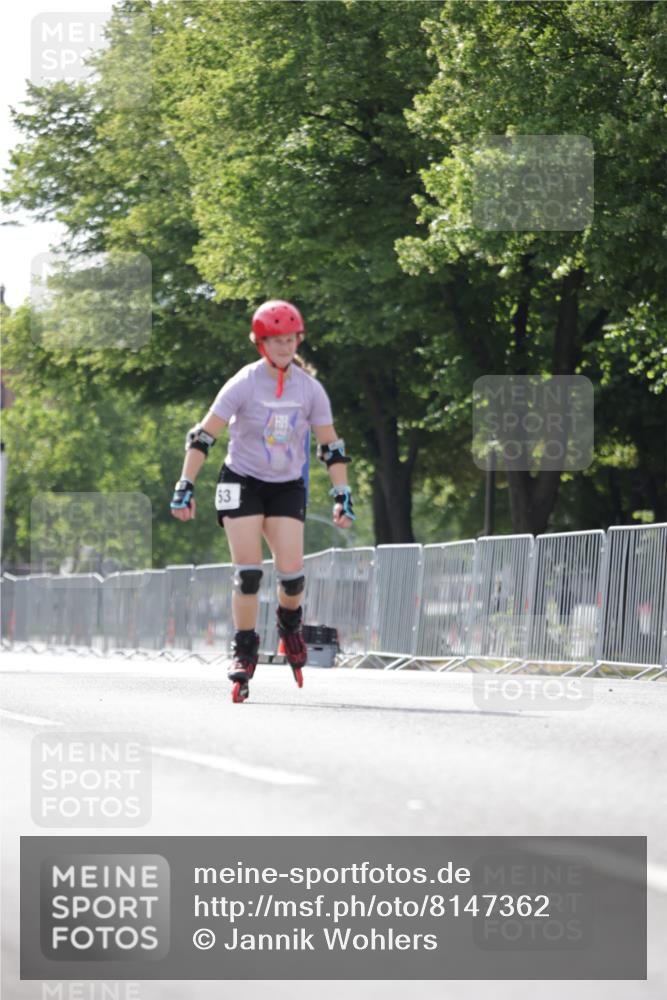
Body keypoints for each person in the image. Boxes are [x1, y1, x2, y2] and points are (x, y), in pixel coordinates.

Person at [170, 300, 355, 702]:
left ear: (298, 340)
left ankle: (289, 623)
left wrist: (342, 495)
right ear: (261, 344)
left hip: (286, 486)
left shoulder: (310, 389)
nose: (284, 347)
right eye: (276, 341)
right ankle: (244, 650)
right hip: (241, 481)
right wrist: (186, 483)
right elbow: (203, 435)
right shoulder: (244, 382)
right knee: (249, 574)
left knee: (292, 578)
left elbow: (331, 447)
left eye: (290, 340)